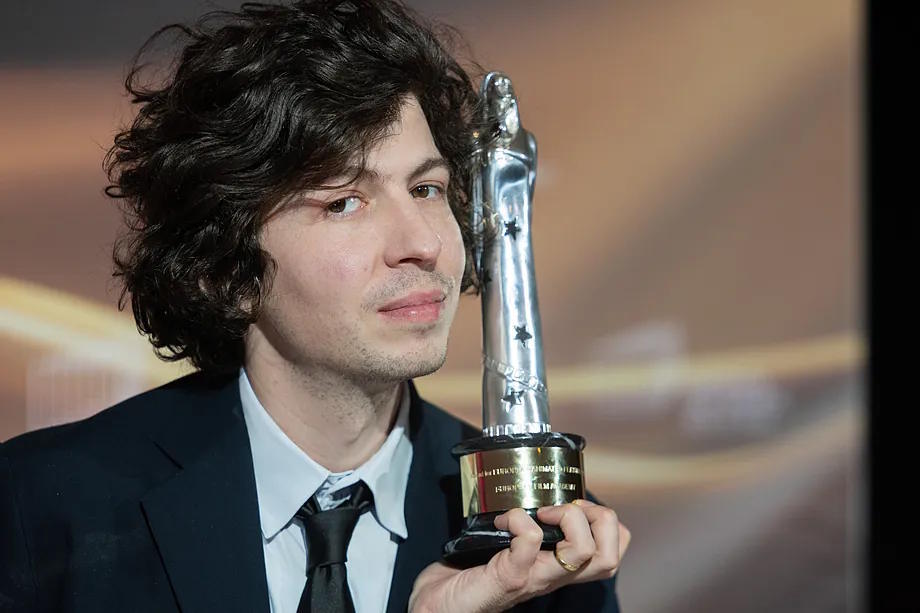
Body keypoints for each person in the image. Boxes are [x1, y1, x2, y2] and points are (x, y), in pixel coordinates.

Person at [0, 1, 630, 611]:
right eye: (343, 202)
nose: (423, 244)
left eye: (426, 188)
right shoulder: (45, 507)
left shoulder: (544, 539)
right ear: (224, 269)